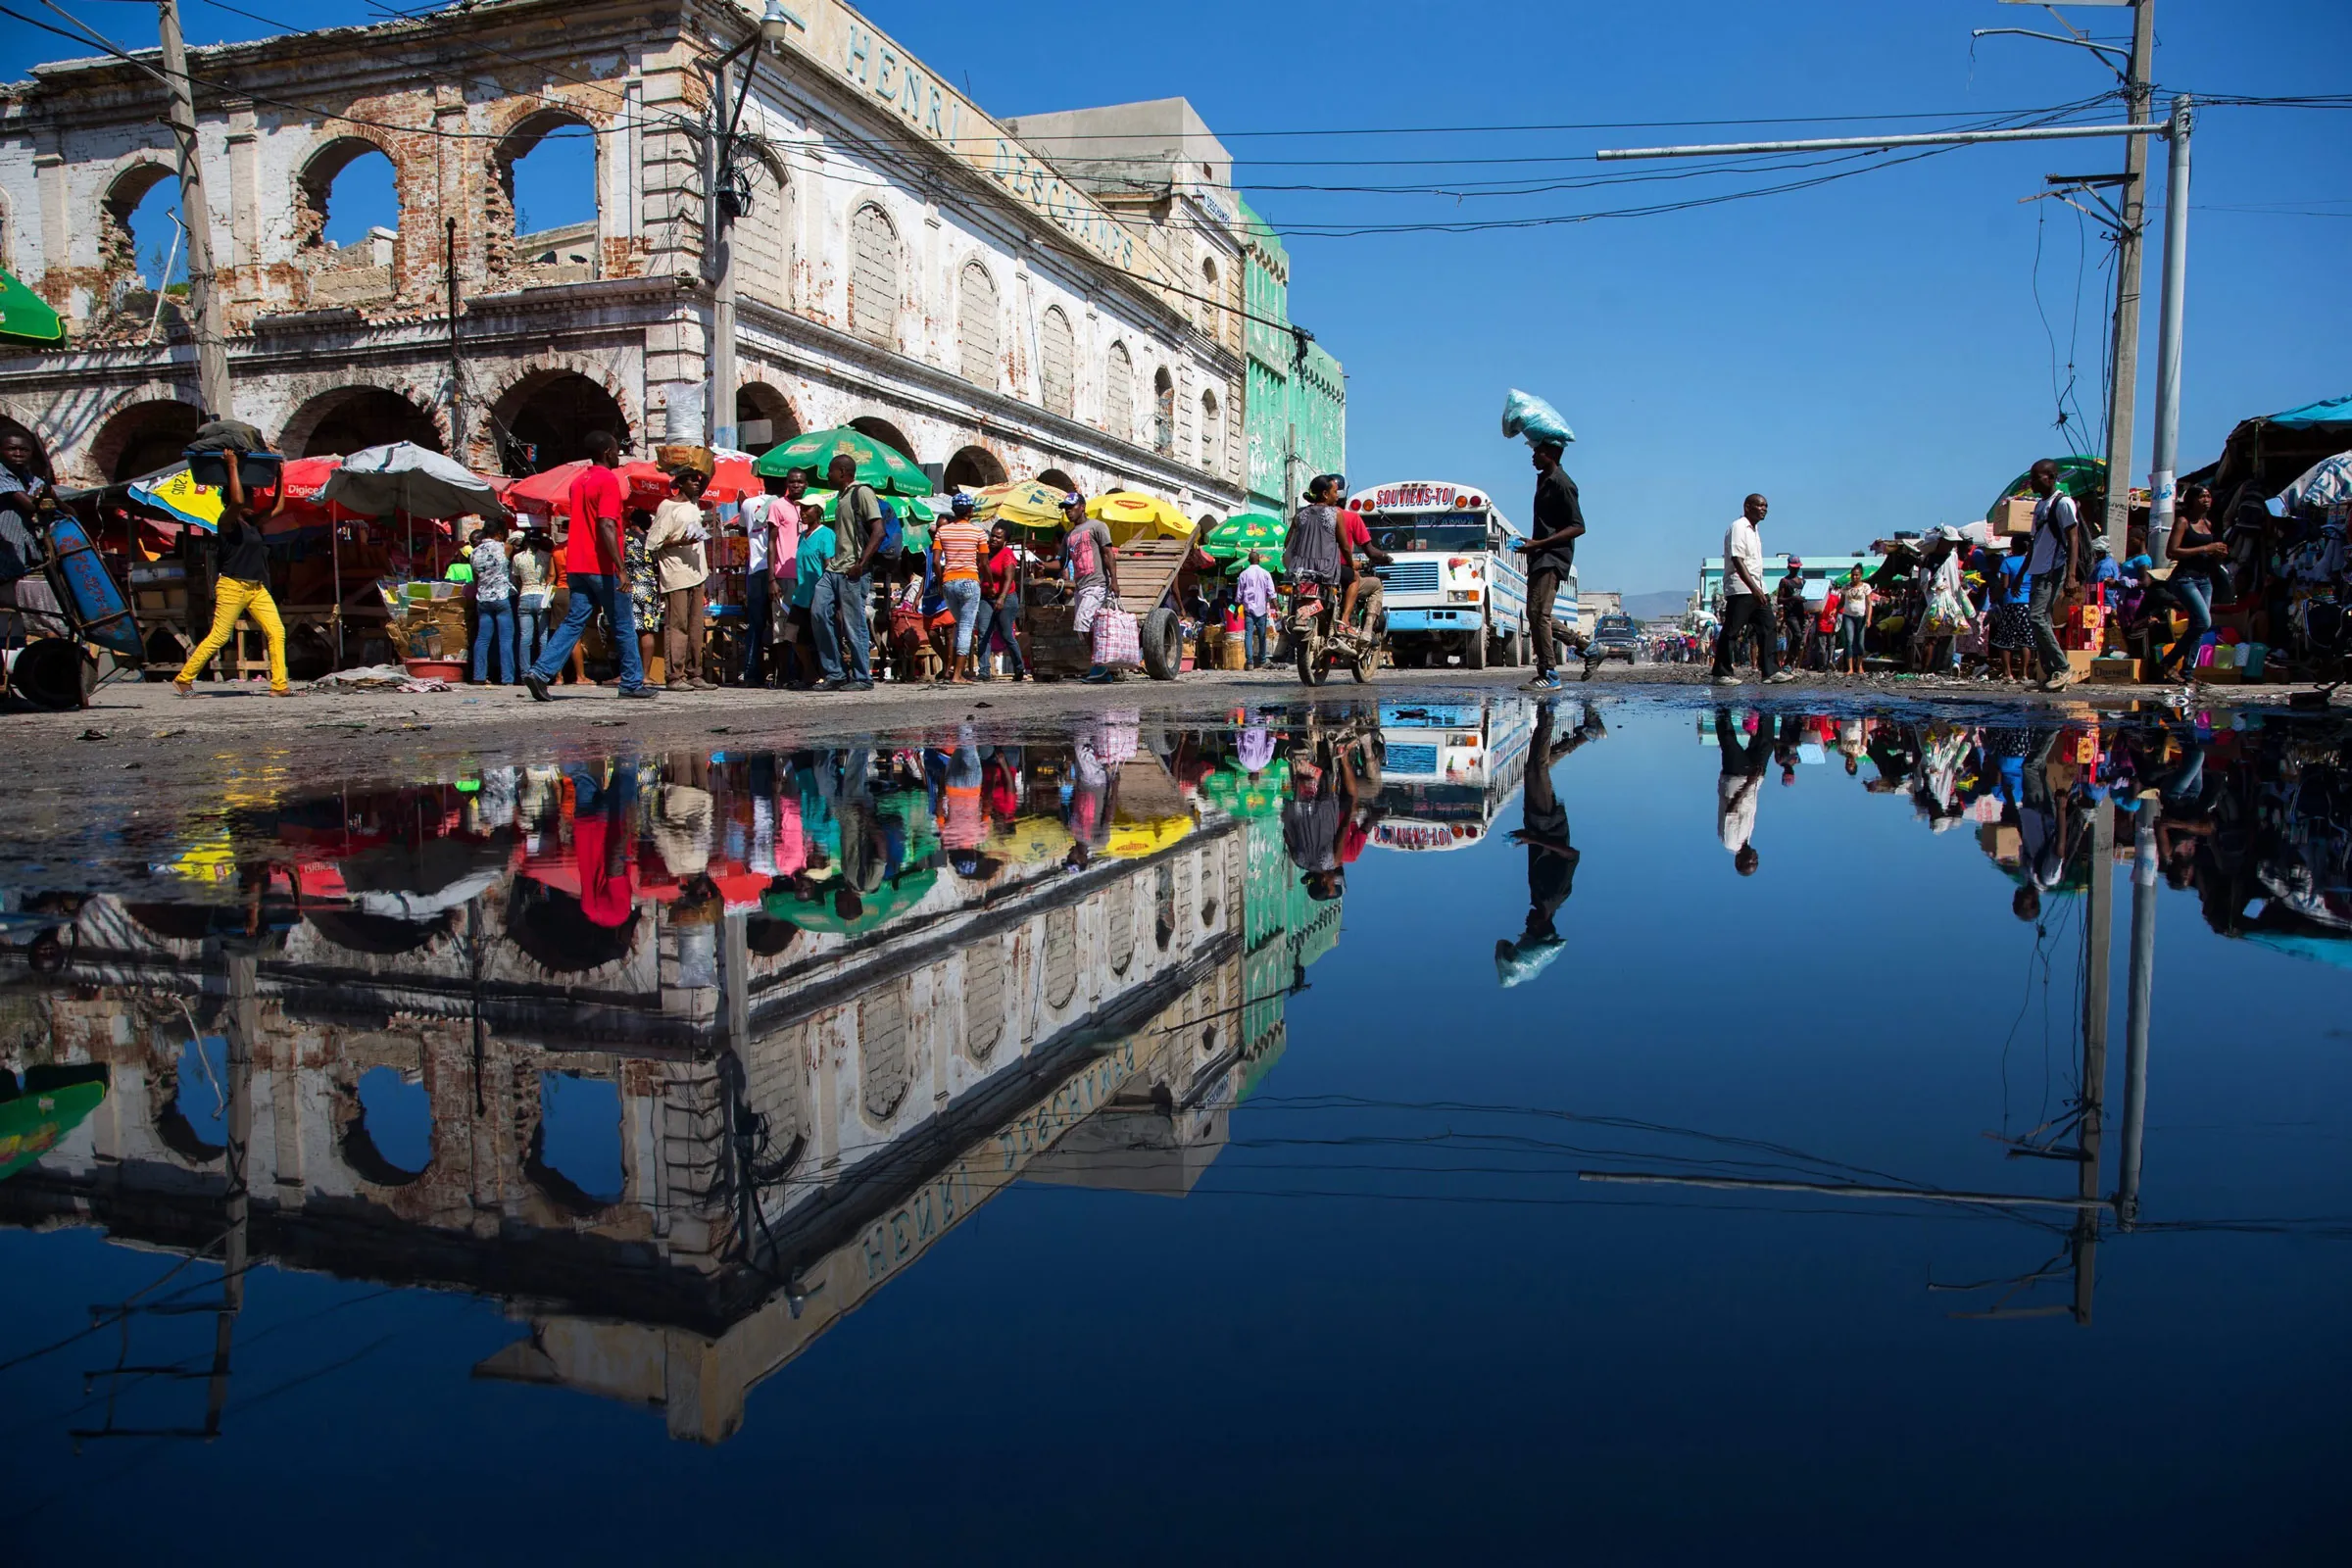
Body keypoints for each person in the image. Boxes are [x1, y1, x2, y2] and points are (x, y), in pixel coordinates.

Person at [523, 429, 653, 700]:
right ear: (607, 452)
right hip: (601, 565)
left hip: (576, 564)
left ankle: (540, 672)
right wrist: (620, 567)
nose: (618, 455)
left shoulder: (577, 481)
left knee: (574, 622)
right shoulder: (608, 481)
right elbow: (606, 523)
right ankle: (630, 682)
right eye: (617, 450)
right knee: (624, 622)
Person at [1496, 701, 1605, 987]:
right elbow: (1571, 855)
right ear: (1542, 928)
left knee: (1537, 769)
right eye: (1528, 931)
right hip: (1548, 823)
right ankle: (1547, 711)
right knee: (1535, 767)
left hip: (1538, 824)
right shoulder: (1552, 898)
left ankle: (1588, 734)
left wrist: (1526, 838)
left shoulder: (1539, 898)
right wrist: (1532, 837)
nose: (1525, 925)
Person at [175, 448, 292, 697]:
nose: (251, 504)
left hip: (256, 588)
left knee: (276, 631)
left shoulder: (252, 523)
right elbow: (237, 501)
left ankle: (279, 685)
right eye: (249, 500)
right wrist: (231, 465)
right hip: (232, 586)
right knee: (219, 636)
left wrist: (280, 474)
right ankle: (184, 678)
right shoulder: (226, 521)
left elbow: (279, 507)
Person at [1515, 439, 1595, 690]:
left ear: (1549, 454)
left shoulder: (1563, 483)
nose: (1532, 456)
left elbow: (1578, 526)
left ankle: (1549, 674)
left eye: (1537, 452)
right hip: (1540, 554)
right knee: (1536, 614)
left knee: (1540, 615)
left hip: (1553, 557)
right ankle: (1589, 648)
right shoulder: (1544, 481)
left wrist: (1539, 543)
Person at [812, 453, 881, 690]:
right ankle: (836, 673)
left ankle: (863, 677)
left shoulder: (862, 492)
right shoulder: (841, 497)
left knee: (854, 624)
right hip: (835, 568)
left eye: (830, 470)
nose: (827, 475)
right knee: (819, 613)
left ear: (842, 472)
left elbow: (878, 531)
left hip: (853, 570)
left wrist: (861, 563)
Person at [1713, 494, 1793, 685]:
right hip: (1741, 587)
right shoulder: (1739, 527)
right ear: (1748, 507)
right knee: (1732, 630)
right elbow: (1737, 560)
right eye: (1760, 505)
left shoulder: (1754, 530)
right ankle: (1721, 672)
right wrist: (1753, 588)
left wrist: (1759, 588)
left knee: (1768, 626)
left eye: (1766, 506)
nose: (1764, 509)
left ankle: (1770, 671)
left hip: (1757, 586)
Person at [738, 467, 804, 688]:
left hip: (757, 568)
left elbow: (741, 530)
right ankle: (782, 672)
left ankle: (751, 673)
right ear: (784, 483)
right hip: (777, 569)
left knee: (758, 625)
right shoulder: (780, 506)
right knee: (781, 624)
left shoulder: (747, 504)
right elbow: (773, 540)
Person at [648, 468, 712, 690]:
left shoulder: (693, 505)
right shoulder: (667, 507)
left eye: (698, 480)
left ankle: (694, 672)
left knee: (696, 627)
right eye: (691, 480)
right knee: (677, 626)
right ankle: (674, 675)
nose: (696, 483)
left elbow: (706, 478)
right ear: (681, 483)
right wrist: (678, 542)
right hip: (676, 575)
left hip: (696, 573)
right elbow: (653, 543)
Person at [2156, 482, 2229, 680]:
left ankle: (2187, 672)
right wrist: (2206, 548)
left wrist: (2218, 553)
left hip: (2205, 579)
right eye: (2202, 497)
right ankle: (2169, 661)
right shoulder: (2183, 522)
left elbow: (2211, 553)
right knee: (2204, 622)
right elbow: (2172, 552)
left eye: (2209, 496)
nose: (2207, 500)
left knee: (2198, 624)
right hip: (2185, 579)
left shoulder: (2208, 524)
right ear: (2192, 500)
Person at [2023, 459, 2083, 692]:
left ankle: (2062, 666)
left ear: (2050, 477)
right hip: (2038, 570)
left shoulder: (2063, 503)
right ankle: (2051, 674)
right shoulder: (2040, 506)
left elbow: (2073, 539)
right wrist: (2021, 575)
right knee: (2041, 619)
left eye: (2036, 477)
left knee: (2037, 617)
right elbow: (2034, 542)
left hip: (2053, 569)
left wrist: (2071, 574)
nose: (2032, 482)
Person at [1061, 492, 1121, 684]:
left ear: (1082, 507)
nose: (1068, 511)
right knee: (1084, 629)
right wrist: (1043, 566)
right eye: (1066, 508)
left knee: (1082, 624)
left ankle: (1100, 667)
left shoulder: (1097, 526)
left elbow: (1107, 554)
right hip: (1081, 587)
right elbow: (1061, 561)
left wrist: (1114, 581)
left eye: (1072, 507)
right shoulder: (1068, 536)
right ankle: (1103, 666)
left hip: (1097, 584)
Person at [932, 492, 989, 683]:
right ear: (971, 510)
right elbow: (984, 562)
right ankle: (957, 675)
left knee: (959, 626)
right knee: (965, 627)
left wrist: (941, 582)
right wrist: (985, 579)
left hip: (949, 582)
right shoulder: (978, 532)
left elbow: (935, 562)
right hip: (969, 581)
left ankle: (956, 672)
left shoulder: (943, 531)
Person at [1332, 479, 1393, 641]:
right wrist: (1385, 557)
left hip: (1315, 570)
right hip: (1339, 572)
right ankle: (1364, 629)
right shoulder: (1350, 517)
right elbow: (1370, 551)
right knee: (1376, 585)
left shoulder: (1310, 516)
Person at [1714, 707, 1769, 875]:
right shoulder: (1746, 838)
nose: (1755, 856)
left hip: (1737, 778)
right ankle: (1766, 703)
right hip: (1753, 779)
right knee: (1766, 743)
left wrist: (1748, 783)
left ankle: (1721, 704)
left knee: (1728, 739)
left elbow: (1732, 809)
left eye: (1751, 861)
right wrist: (1755, 781)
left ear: (1739, 860)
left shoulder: (1731, 842)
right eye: (1756, 860)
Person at [976, 519, 1030, 680]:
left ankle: (1019, 668)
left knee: (1007, 635)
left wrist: (1001, 598)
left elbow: (1009, 578)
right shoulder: (985, 552)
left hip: (1006, 598)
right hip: (986, 598)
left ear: (1005, 540)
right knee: (984, 633)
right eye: (992, 536)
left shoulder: (1007, 554)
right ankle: (984, 671)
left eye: (998, 537)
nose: (993, 539)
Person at [790, 503, 835, 691]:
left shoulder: (826, 535)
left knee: (821, 637)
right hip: (801, 594)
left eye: (808, 509)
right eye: (802, 509)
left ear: (818, 511)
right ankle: (809, 673)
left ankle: (828, 674)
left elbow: (829, 565)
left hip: (819, 594)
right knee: (793, 635)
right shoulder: (802, 536)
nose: (804, 513)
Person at [469, 518, 518, 685]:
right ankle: (507, 678)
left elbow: (476, 578)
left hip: (483, 598)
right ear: (499, 533)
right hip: (501, 596)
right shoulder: (505, 547)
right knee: (505, 639)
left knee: (482, 639)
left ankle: (479, 676)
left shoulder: (474, 552)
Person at [510, 526, 554, 670]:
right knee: (543, 636)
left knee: (525, 638)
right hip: (542, 596)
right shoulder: (547, 557)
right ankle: (542, 671)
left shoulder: (517, 558)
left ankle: (525, 673)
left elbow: (516, 578)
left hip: (525, 595)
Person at [1236, 549, 1276, 668]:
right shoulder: (1266, 574)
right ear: (1259, 560)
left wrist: (1236, 610)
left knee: (1248, 635)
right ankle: (1262, 660)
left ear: (1248, 561)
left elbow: (1239, 594)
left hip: (1248, 610)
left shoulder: (1243, 574)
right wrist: (1276, 608)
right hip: (1261, 609)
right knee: (1262, 635)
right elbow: (1272, 593)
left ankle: (1249, 662)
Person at [1775, 557, 1809, 666]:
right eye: (1793, 568)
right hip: (1790, 614)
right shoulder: (1785, 581)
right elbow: (1779, 599)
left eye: (1797, 568)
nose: (1796, 570)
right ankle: (1788, 662)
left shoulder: (1803, 582)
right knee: (1797, 635)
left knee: (1799, 640)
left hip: (1801, 613)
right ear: (1788, 567)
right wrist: (1793, 598)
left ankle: (1791, 661)